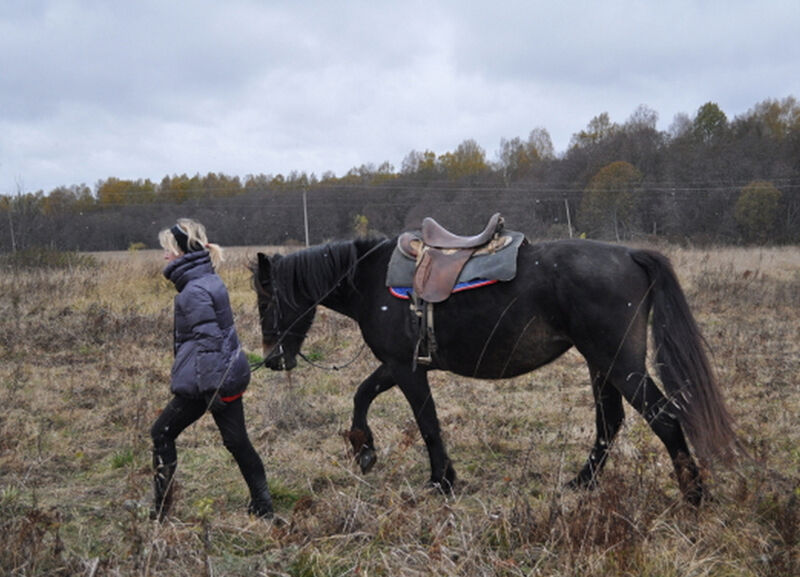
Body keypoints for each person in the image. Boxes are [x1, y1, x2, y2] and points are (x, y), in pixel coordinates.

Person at [150, 218, 273, 520]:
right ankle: (263, 506)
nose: (165, 256)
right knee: (237, 441)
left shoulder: (194, 290)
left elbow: (208, 341)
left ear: (181, 252)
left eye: (168, 250)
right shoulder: (208, 278)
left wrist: (209, 389)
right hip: (225, 373)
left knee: (161, 433)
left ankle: (160, 512)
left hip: (208, 379)